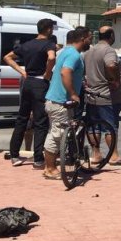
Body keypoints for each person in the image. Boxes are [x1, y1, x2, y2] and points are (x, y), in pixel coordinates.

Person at [3, 18, 57, 168]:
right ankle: (38, 158)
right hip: (40, 82)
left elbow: (7, 57)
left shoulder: (27, 45)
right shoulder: (49, 44)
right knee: (40, 121)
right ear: (48, 29)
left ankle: (14, 154)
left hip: (27, 82)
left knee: (22, 118)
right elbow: (52, 57)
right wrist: (47, 73)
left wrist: (22, 71)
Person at [41, 27, 90, 180]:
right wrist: (74, 94)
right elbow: (65, 72)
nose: (90, 41)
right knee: (57, 135)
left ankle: (50, 167)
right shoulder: (73, 55)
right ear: (82, 38)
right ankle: (50, 168)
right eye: (89, 38)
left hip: (56, 100)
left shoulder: (65, 52)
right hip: (60, 102)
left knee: (57, 133)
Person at [83, 25, 121, 167]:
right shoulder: (108, 50)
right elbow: (111, 65)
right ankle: (114, 155)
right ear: (111, 36)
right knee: (110, 127)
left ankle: (96, 154)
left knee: (94, 127)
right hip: (107, 96)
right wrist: (115, 80)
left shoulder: (89, 51)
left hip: (92, 96)